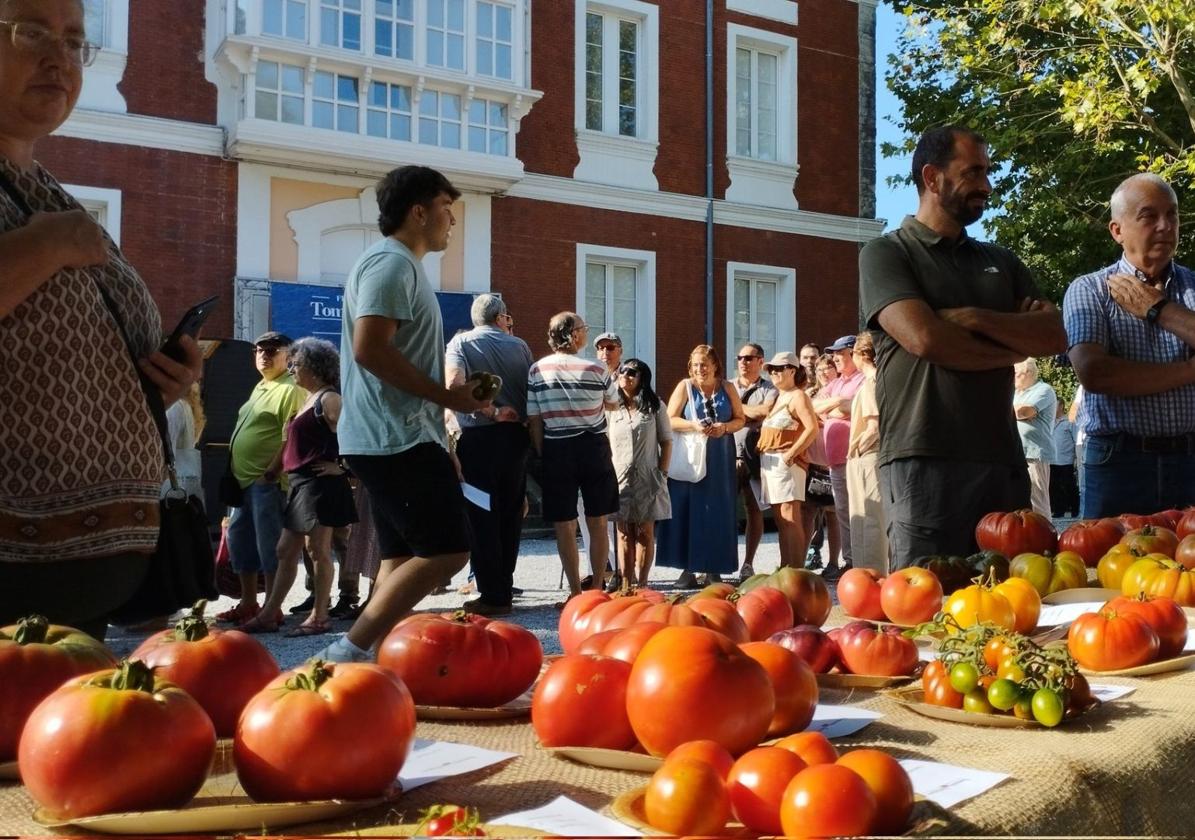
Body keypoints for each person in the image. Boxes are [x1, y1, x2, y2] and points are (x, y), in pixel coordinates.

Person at [0, 0, 202, 637]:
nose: (58, 56)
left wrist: (164, 377)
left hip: (86, 591)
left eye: (75, 40)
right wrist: (45, 248)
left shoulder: (46, 189)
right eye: (30, 31)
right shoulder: (53, 219)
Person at [858, 124, 1067, 569]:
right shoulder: (886, 254)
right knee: (924, 614)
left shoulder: (1002, 261)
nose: (987, 185)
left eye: (987, 172)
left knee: (1014, 611)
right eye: (973, 172)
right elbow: (926, 338)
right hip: (923, 462)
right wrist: (1011, 342)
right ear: (932, 177)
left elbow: (1053, 336)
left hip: (1002, 461)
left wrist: (972, 318)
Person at [313, 165, 488, 664]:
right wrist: (447, 398)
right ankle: (346, 652)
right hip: (393, 437)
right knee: (449, 550)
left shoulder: (396, 265)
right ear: (419, 211)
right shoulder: (391, 265)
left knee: (402, 557)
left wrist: (441, 432)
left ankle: (368, 658)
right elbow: (370, 349)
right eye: (445, 209)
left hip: (396, 436)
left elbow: (383, 354)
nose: (451, 221)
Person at [1062, 173, 1195, 517]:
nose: (1166, 226)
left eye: (1173, 214)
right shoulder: (1090, 290)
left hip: (1190, 458)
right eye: (1149, 216)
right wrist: (1189, 371)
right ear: (1117, 230)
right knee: (1107, 566)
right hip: (1119, 462)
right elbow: (1096, 374)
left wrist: (1160, 310)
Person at [243, 338, 356, 637]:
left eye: (297, 364)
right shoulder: (309, 398)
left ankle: (320, 617)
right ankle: (269, 614)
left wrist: (343, 468)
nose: (291, 368)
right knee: (285, 550)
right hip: (300, 485)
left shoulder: (330, 399)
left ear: (315, 368)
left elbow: (358, 436)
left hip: (320, 485)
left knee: (317, 550)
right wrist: (272, 471)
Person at [445, 293, 534, 616]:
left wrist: (490, 411)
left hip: (479, 438)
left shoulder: (461, 344)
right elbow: (531, 388)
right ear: (501, 317)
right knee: (511, 513)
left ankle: (492, 594)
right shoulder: (520, 346)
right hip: (515, 439)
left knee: (481, 514)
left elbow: (454, 384)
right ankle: (503, 587)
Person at [527, 312, 620, 602]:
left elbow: (534, 419)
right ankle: (597, 590)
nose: (586, 334)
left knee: (564, 524)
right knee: (598, 520)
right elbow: (614, 404)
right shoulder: (597, 368)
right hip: (593, 447)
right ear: (573, 335)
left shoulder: (536, 370)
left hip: (557, 448)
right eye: (584, 329)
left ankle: (575, 590)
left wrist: (543, 453)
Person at [218, 331, 305, 626]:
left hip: (265, 482)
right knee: (240, 543)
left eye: (273, 349)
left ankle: (271, 607)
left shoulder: (290, 388)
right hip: (243, 482)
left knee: (270, 546)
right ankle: (248, 603)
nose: (265, 354)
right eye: (259, 349)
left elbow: (290, 435)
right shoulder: (261, 386)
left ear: (288, 356)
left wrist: (270, 473)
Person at [656, 345, 746, 587]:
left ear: (715, 365)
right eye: (695, 364)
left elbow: (740, 418)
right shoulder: (685, 387)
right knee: (687, 510)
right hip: (689, 457)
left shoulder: (727, 387)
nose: (700, 369)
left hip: (719, 457)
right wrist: (694, 426)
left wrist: (724, 428)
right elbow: (669, 420)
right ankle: (688, 569)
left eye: (704, 364)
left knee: (717, 511)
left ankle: (714, 568)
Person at [607, 358, 672, 589]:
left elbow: (666, 441)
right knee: (624, 533)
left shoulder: (655, 406)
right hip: (619, 478)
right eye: (623, 371)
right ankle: (626, 583)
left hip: (648, 476)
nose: (627, 375)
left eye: (633, 372)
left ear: (643, 378)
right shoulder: (610, 407)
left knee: (645, 532)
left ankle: (643, 583)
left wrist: (662, 473)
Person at [757, 353, 819, 568]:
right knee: (781, 519)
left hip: (787, 462)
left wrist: (790, 454)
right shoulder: (779, 397)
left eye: (779, 368)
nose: (774, 372)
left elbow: (812, 428)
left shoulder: (798, 396)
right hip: (772, 462)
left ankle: (796, 569)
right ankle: (786, 568)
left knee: (790, 517)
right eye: (771, 369)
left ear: (792, 370)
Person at [813, 335, 865, 579]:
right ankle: (851, 560)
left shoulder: (863, 378)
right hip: (835, 460)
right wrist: (837, 404)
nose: (835, 358)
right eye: (834, 354)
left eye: (840, 353)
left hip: (856, 455)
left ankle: (865, 560)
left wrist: (837, 408)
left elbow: (855, 406)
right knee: (844, 510)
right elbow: (813, 406)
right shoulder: (837, 383)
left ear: (854, 353)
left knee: (861, 509)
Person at [732, 342, 778, 580]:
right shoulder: (728, 386)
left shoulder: (770, 388)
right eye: (740, 358)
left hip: (754, 457)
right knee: (722, 509)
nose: (743, 362)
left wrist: (735, 409)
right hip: (727, 456)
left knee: (753, 509)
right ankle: (718, 564)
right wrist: (749, 412)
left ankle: (748, 564)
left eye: (749, 358)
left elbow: (766, 412)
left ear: (761, 361)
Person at [845, 332, 889, 574]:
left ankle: (873, 578)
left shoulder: (872, 381)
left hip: (868, 457)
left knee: (869, 520)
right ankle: (866, 577)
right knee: (862, 520)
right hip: (866, 458)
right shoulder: (872, 380)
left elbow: (874, 426)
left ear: (862, 354)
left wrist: (856, 448)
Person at [585, 331, 622, 590]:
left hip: (618, 449)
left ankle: (617, 569)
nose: (605, 353)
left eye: (610, 348)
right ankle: (595, 568)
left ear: (619, 350)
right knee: (587, 515)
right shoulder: (590, 374)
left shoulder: (629, 376)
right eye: (601, 348)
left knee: (611, 516)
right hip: (594, 448)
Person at [800, 354, 842, 572]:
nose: (825, 373)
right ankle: (801, 562)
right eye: (820, 369)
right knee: (807, 513)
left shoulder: (842, 390)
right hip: (812, 462)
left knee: (833, 515)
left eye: (829, 368)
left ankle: (834, 562)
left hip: (833, 462)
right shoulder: (809, 394)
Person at [1013, 358, 1057, 518]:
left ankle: (1046, 539)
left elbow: (1023, 412)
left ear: (1028, 373)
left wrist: (1020, 413)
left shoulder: (1043, 390)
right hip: (1016, 453)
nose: (1013, 377)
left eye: (1016, 374)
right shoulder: (1017, 393)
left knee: (1037, 503)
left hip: (1033, 454)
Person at [164, 382, 205, 501]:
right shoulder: (186, 406)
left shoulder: (175, 407)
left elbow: (166, 451)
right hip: (183, 481)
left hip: (171, 485)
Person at [1050, 400, 1079, 518]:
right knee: (1054, 487)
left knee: (1069, 486)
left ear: (1061, 406)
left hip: (1066, 460)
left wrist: (1077, 458)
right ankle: (1058, 510)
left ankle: (1075, 510)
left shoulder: (1069, 422)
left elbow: (1076, 439)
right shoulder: (1050, 422)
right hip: (1052, 460)